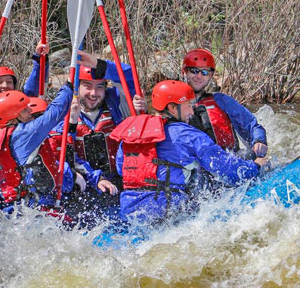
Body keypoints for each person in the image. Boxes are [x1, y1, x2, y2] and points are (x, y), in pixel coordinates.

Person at [112, 80, 268, 223]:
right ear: (173, 108)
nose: (192, 112)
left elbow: (121, 170)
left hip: (130, 213)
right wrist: (256, 166)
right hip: (167, 212)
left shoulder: (132, 133)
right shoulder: (187, 135)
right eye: (188, 105)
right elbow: (228, 170)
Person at [50, 51, 146, 207]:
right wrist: (96, 178)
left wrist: (99, 65)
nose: (94, 94)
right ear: (77, 87)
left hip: (121, 183)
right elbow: (63, 155)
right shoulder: (64, 113)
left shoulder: (117, 104)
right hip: (86, 186)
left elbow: (128, 76)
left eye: (99, 87)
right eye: (87, 86)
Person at [0, 85, 78, 214]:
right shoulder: (24, 134)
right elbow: (56, 113)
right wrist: (68, 87)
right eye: (24, 110)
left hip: (11, 208)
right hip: (32, 210)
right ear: (12, 117)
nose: (30, 110)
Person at [181, 49, 268, 157]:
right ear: (184, 72)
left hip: (230, 161)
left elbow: (252, 126)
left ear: (211, 75)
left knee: (250, 155)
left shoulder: (222, 101)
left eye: (204, 72)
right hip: (194, 167)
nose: (198, 76)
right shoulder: (174, 106)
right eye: (194, 70)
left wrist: (259, 141)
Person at [0, 41, 49, 140]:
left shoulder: (23, 102)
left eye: (9, 82)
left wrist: (40, 58)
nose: (5, 86)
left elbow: (36, 81)